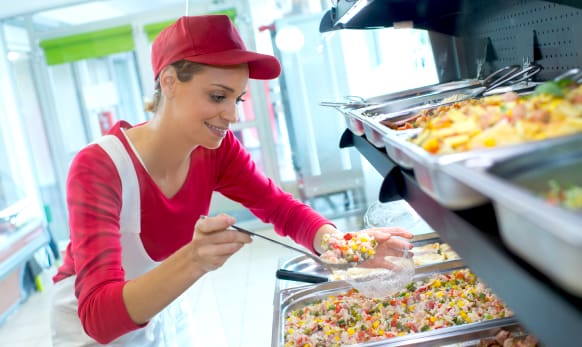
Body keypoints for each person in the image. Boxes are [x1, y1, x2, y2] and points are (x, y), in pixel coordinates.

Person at [50, 14, 413, 346]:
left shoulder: (215, 150)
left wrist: (340, 244)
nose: (233, 115)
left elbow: (280, 208)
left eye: (237, 99)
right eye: (218, 96)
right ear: (170, 81)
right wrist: (194, 259)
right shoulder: (99, 166)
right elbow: (98, 317)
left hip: (161, 309)